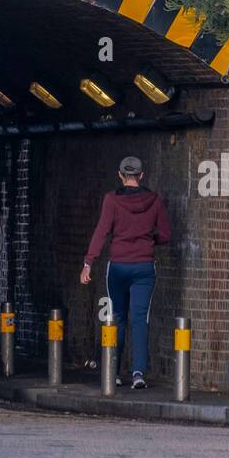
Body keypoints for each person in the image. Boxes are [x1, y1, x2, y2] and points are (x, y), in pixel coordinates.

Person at [79, 156, 171, 390]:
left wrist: (89, 262)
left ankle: (114, 371)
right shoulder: (154, 200)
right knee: (141, 320)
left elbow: (101, 232)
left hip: (118, 266)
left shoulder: (111, 200)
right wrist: (149, 239)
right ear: (141, 176)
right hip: (144, 267)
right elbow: (166, 235)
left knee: (117, 317)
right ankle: (138, 374)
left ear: (120, 175)